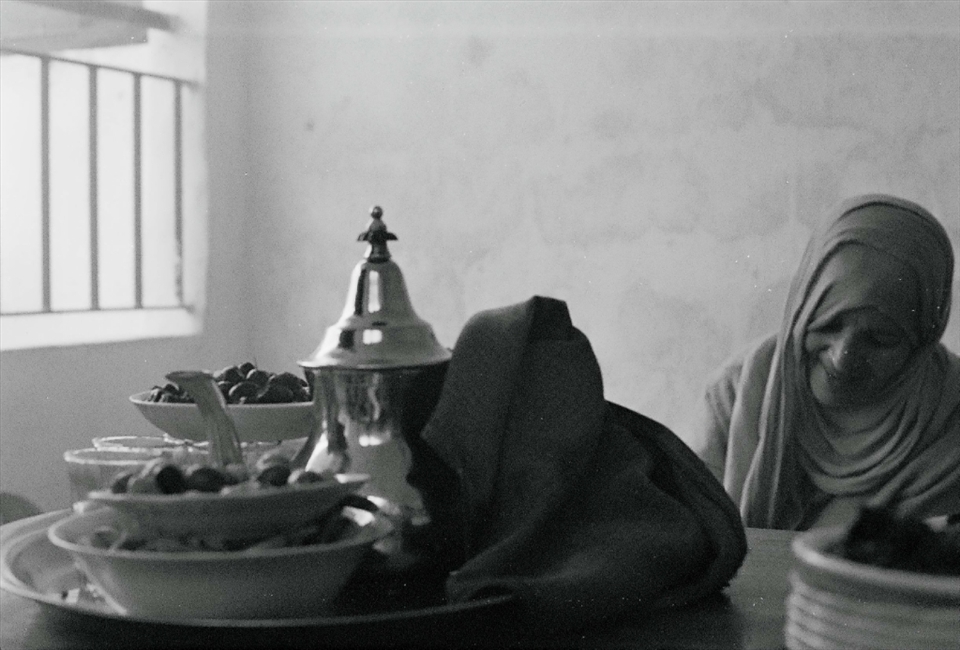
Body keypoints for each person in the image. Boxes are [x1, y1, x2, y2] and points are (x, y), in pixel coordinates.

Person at [688, 194, 960, 530]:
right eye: (828, 324)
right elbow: (692, 542)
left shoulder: (952, 419)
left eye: (880, 339)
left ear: (922, 341)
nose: (843, 358)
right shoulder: (733, 396)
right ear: (801, 310)